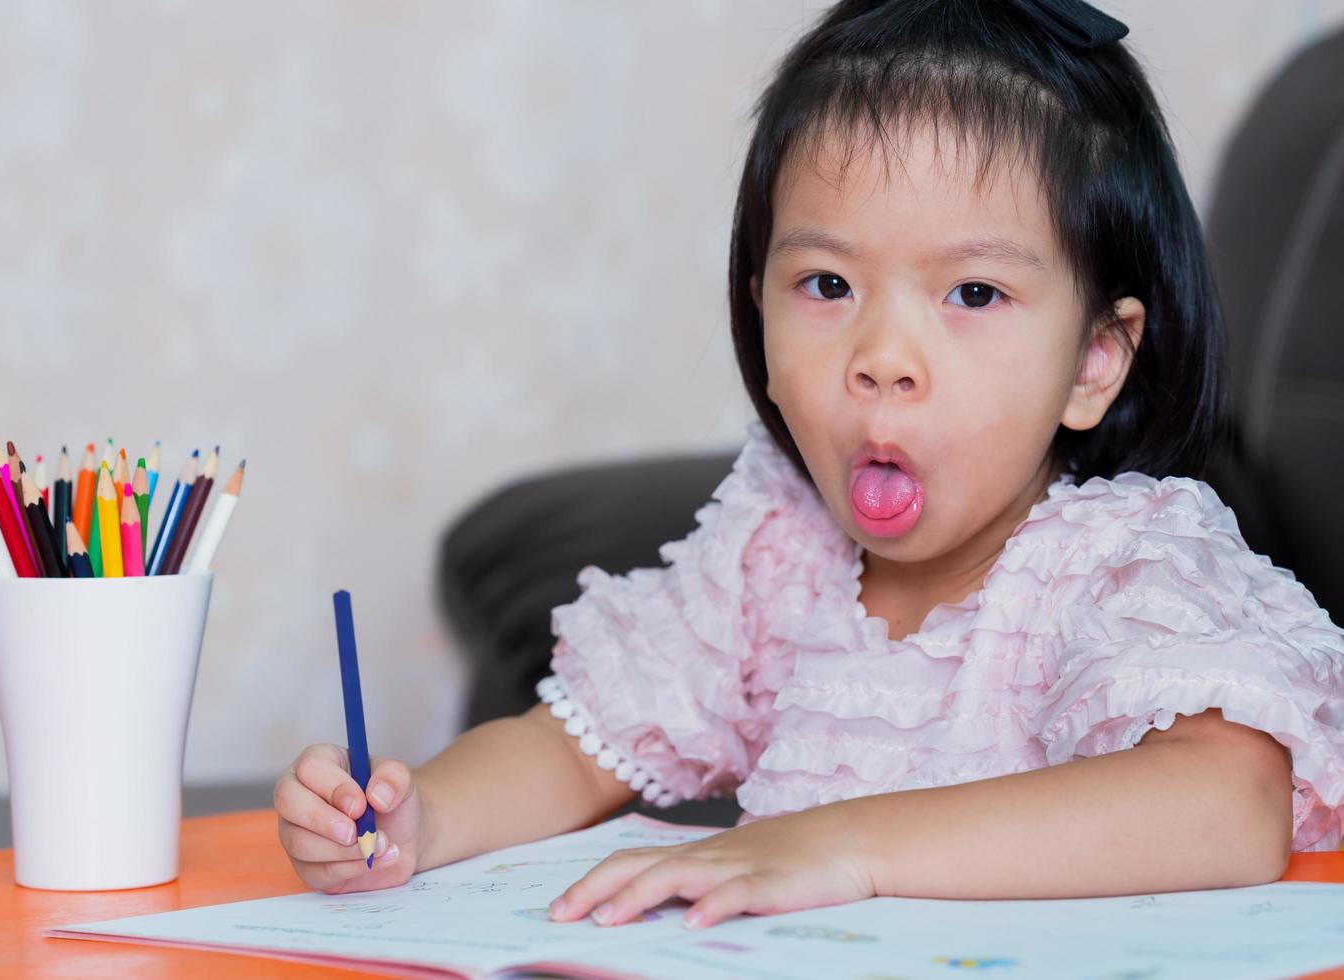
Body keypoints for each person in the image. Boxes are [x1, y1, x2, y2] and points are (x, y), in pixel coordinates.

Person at [275, 0, 1344, 930]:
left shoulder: (1119, 561)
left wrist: (846, 846)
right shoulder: (775, 553)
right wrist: (415, 818)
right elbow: (570, 748)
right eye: (826, 285)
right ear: (758, 307)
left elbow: (1228, 803)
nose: (881, 359)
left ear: (1094, 363)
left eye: (973, 295)